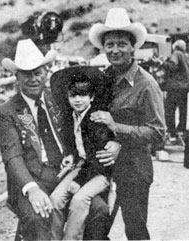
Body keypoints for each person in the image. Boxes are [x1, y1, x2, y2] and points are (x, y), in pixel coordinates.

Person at [0, 39, 120, 241]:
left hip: (71, 171)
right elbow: (12, 157)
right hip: (35, 178)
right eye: (26, 75)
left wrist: (116, 142)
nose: (34, 79)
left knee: (99, 208)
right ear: (16, 76)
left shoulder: (60, 98)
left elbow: (89, 125)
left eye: (38, 73)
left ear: (46, 71)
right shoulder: (7, 111)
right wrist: (32, 188)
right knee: (38, 216)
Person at [89, 8, 166, 240]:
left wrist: (116, 127)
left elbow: (158, 133)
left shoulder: (146, 84)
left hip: (134, 169)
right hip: (104, 167)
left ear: (133, 47)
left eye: (121, 44)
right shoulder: (103, 79)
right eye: (109, 45)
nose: (115, 50)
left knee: (135, 230)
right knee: (98, 227)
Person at [49, 66, 116, 240]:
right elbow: (74, 143)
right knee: (56, 199)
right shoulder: (72, 116)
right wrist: (70, 154)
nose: (78, 100)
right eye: (73, 96)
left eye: (83, 95)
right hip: (83, 165)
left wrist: (79, 180)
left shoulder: (95, 119)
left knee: (79, 200)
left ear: (91, 97)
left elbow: (97, 157)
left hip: (100, 171)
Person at [161, 39, 189, 140]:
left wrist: (162, 62)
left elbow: (173, 66)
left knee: (169, 109)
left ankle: (172, 132)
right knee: (183, 110)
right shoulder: (185, 55)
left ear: (175, 46)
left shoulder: (176, 53)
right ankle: (181, 130)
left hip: (175, 87)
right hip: (185, 86)